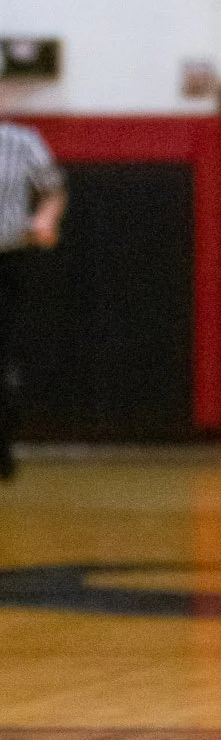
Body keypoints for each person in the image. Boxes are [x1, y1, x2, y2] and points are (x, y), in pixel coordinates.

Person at [0, 123, 66, 479]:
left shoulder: (22, 142)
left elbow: (53, 190)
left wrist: (44, 218)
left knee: (4, 356)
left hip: (9, 257)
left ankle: (3, 445)